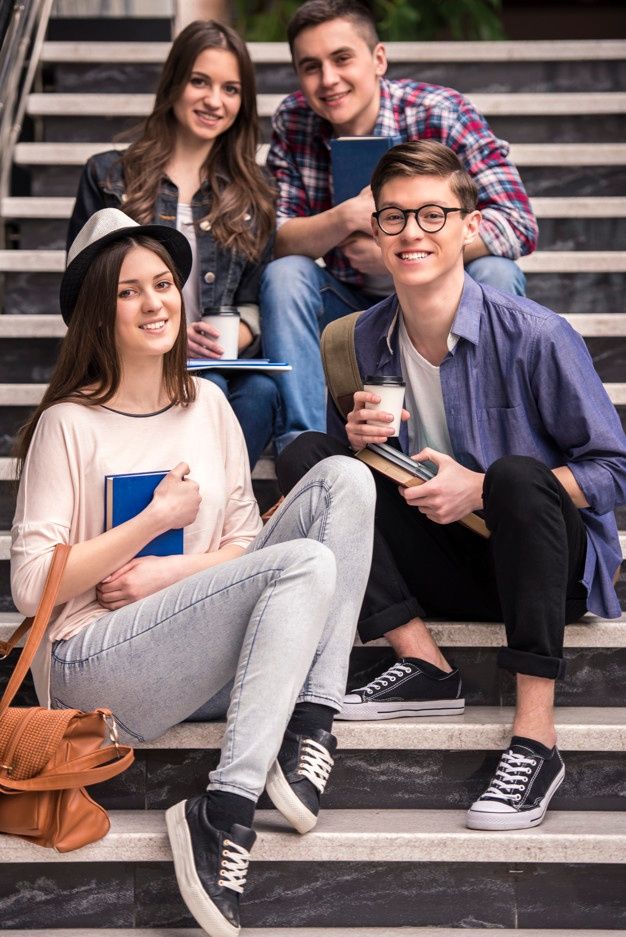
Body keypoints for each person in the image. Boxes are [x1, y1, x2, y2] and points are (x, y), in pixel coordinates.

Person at [11, 208, 375, 936]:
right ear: (96, 311)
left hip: (196, 659)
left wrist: (164, 577)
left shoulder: (209, 403)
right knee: (302, 559)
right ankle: (228, 807)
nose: (155, 303)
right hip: (94, 665)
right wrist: (150, 524)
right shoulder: (68, 423)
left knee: (344, 481)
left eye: (163, 284)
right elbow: (31, 586)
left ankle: (311, 722)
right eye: (128, 292)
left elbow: (243, 542)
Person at [277, 141, 626, 832]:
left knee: (516, 476)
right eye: (395, 217)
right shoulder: (360, 337)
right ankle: (423, 660)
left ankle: (536, 737)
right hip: (446, 562)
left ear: (469, 226)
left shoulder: (536, 336)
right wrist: (362, 446)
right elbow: (368, 483)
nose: (413, 232)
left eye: (434, 215)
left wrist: (480, 491)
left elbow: (613, 471)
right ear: (373, 231)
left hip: (539, 569)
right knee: (314, 457)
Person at [260, 0, 538, 452]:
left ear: (379, 59)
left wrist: (405, 250)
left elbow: (517, 224)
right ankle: (308, 449)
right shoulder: (294, 119)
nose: (328, 79)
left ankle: (496, 438)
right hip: (348, 304)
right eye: (310, 67)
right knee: (285, 275)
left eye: (342, 58)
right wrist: (345, 217)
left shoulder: (439, 112)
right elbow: (276, 239)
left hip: (441, 297)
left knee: (499, 274)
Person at [67, 20, 280, 469]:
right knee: (210, 393)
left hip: (214, 363)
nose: (213, 100)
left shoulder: (254, 189)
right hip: (130, 355)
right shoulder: (108, 177)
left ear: (243, 103)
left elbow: (252, 299)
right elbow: (82, 292)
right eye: (199, 81)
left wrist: (230, 337)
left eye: (230, 89)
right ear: (175, 83)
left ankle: (204, 515)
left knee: (260, 394)